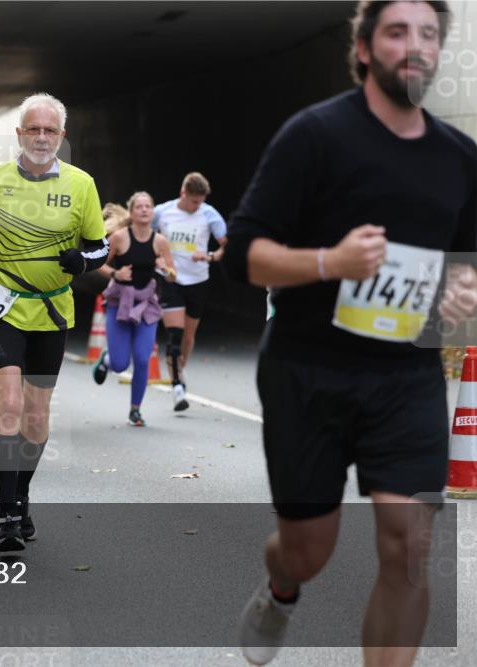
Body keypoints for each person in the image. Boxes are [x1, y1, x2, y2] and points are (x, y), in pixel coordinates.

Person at [223, 2, 476, 665]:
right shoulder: (314, 136)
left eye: (428, 34)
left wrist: (463, 293)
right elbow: (244, 254)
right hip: (309, 370)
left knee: (410, 543)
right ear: (364, 49)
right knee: (309, 547)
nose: (414, 46)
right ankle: (282, 587)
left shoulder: (459, 158)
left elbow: (468, 270)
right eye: (397, 32)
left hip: (405, 377)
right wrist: (330, 262)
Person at [0, 93, 107, 551]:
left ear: (61, 137)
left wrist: (80, 261)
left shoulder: (82, 185)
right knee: (9, 403)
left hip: (52, 309)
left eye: (50, 130)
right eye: (33, 129)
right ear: (19, 134)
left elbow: (99, 248)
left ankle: (21, 497)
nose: (41, 137)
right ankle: (5, 518)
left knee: (37, 415)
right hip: (3, 307)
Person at [91, 192, 176, 426]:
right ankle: (106, 360)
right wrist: (116, 274)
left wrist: (164, 268)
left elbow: (172, 275)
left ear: (153, 211)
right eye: (139, 206)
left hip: (146, 305)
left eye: (148, 206)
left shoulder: (160, 241)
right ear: (132, 211)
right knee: (120, 364)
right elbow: (99, 264)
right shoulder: (119, 238)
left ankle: (135, 410)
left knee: (141, 358)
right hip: (120, 303)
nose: (144, 210)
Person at [153, 172, 227, 411]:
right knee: (174, 334)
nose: (198, 206)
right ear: (183, 193)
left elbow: (228, 245)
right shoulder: (162, 213)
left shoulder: (209, 214)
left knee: (187, 336)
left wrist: (210, 256)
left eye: (201, 201)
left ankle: (179, 370)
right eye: (194, 201)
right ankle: (177, 386)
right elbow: (145, 237)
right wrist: (157, 259)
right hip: (171, 279)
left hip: (197, 280)